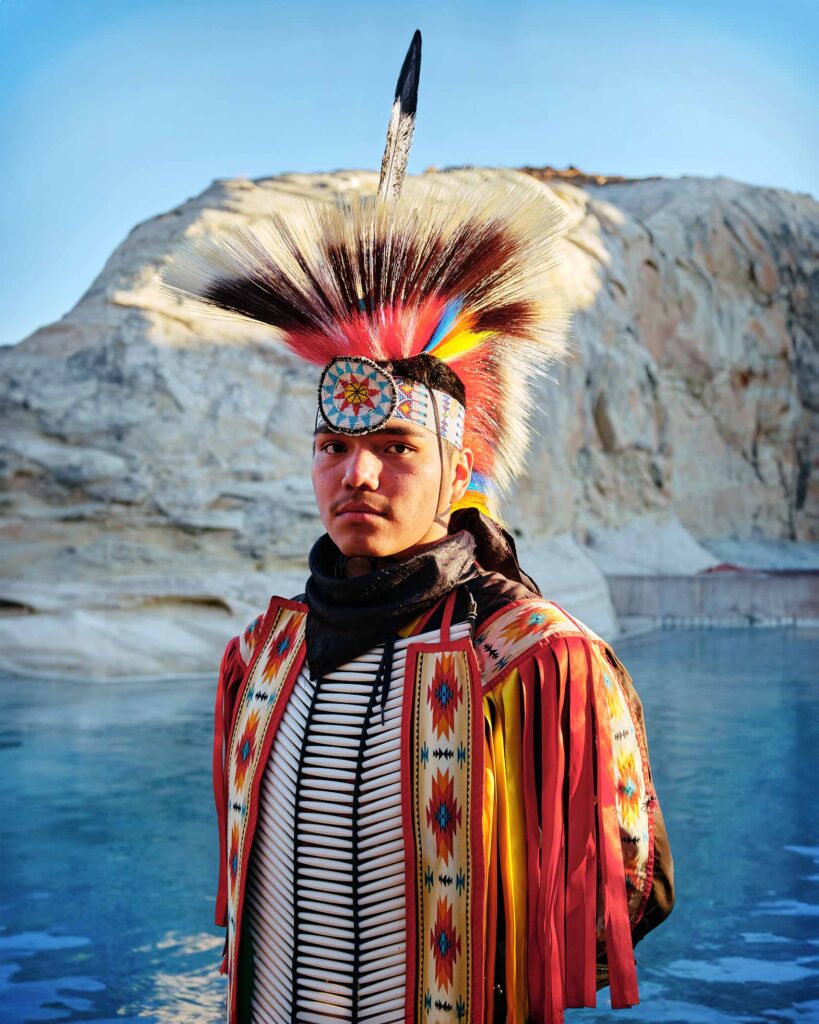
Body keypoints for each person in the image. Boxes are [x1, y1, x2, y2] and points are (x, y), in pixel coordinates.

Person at [164, 30, 674, 1024]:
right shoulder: (259, 660)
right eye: (329, 447)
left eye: (396, 446)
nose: (354, 472)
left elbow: (629, 893)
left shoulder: (536, 663)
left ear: (456, 469)